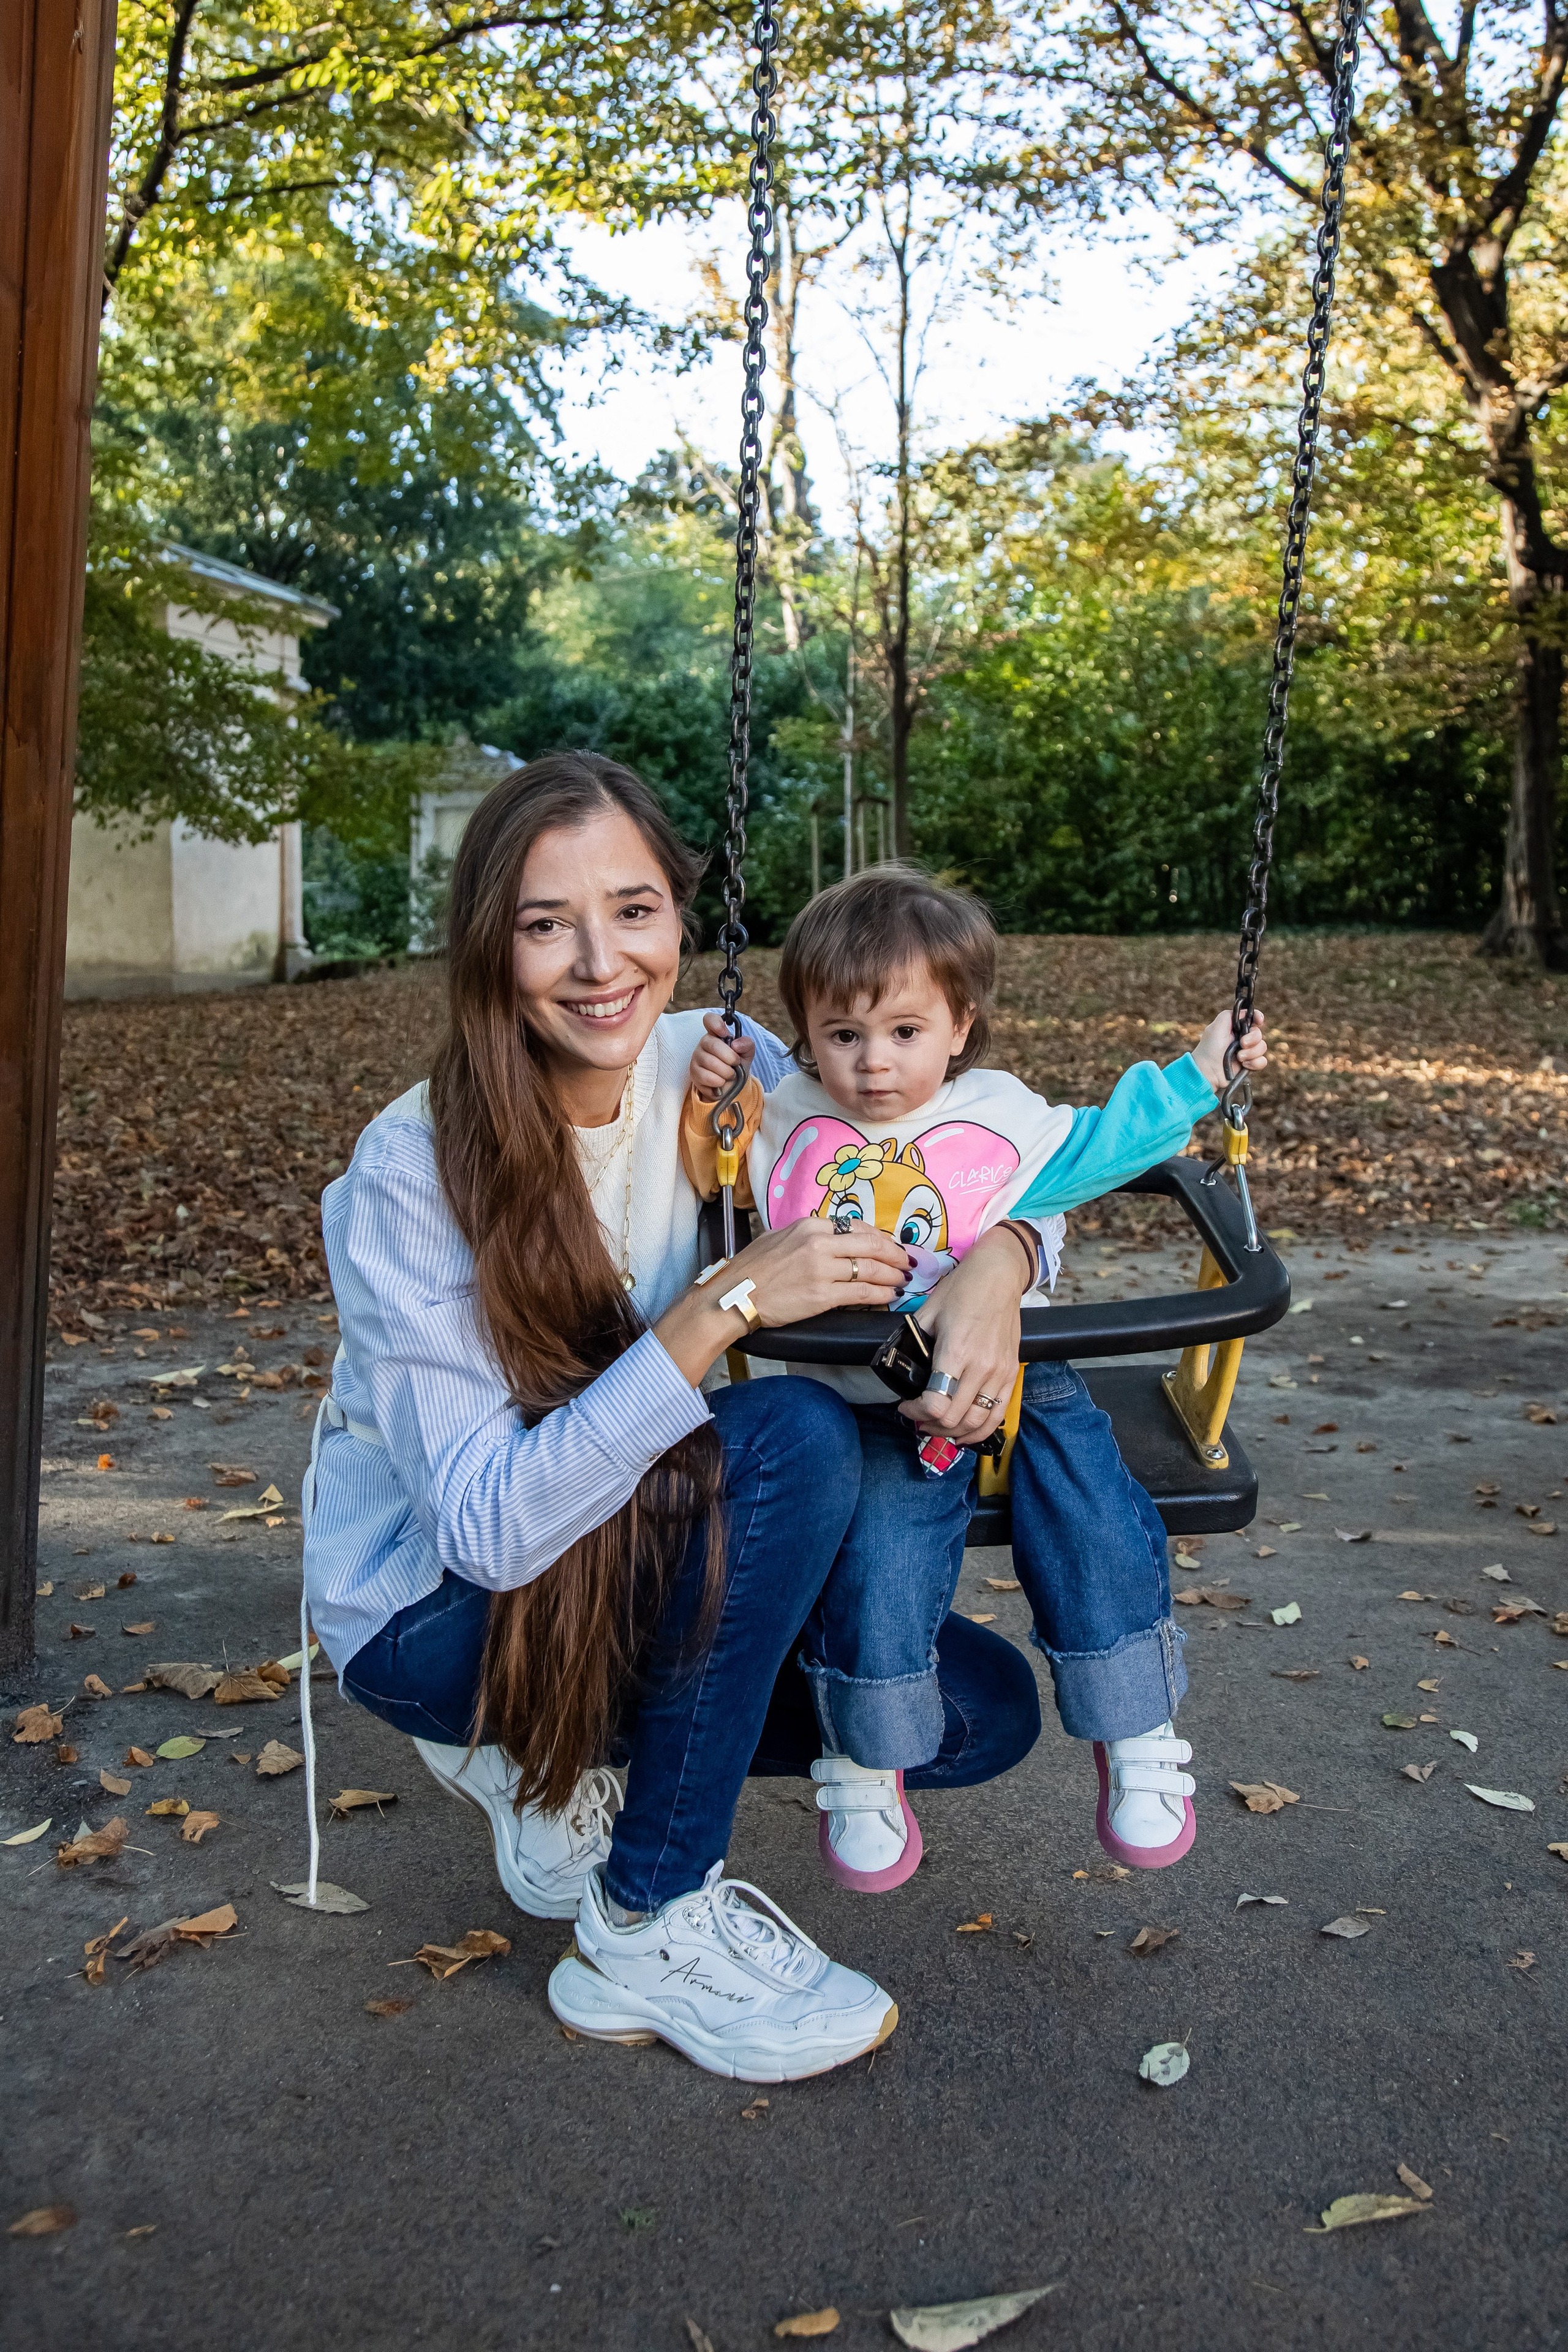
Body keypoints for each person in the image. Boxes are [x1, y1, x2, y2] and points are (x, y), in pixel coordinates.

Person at [301, 754, 1045, 2084]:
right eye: (547, 924)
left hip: (632, 1547)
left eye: (634, 911)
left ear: (680, 919)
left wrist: (1008, 1260)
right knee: (794, 1441)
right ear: (488, 947)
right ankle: (644, 1920)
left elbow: (979, 1142)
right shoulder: (412, 1168)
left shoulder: (730, 1068)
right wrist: (717, 1308)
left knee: (964, 1711)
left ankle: (571, 1752)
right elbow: (485, 1530)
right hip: (441, 1616)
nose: (602, 965)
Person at [682, 864, 1267, 1891]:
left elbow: (1107, 1143)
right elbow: (707, 1174)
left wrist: (1201, 1073)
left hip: (1020, 1377)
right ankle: (867, 1755)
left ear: (959, 1026)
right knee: (878, 1561)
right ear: (806, 1033)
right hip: (864, 1402)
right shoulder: (781, 1117)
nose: (873, 1062)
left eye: (905, 1031)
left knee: (1090, 1506)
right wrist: (712, 1092)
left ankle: (1134, 1724)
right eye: (843, 1033)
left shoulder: (1000, 1116)